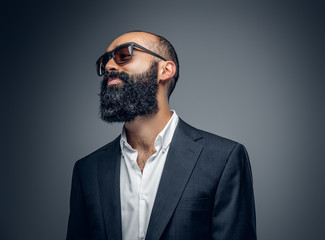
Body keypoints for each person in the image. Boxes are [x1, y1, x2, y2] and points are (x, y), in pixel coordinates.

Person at [66, 31, 257, 240]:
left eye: (123, 55)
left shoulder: (223, 159)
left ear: (165, 70)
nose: (110, 66)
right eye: (105, 61)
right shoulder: (87, 170)